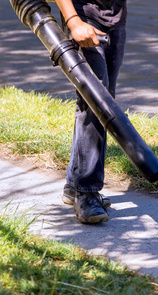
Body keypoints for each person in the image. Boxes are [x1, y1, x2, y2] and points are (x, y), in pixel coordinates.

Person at [54, 0, 127, 224]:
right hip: (84, 18)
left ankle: (74, 184)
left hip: (115, 18)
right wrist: (73, 21)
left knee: (104, 101)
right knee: (96, 103)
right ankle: (86, 192)